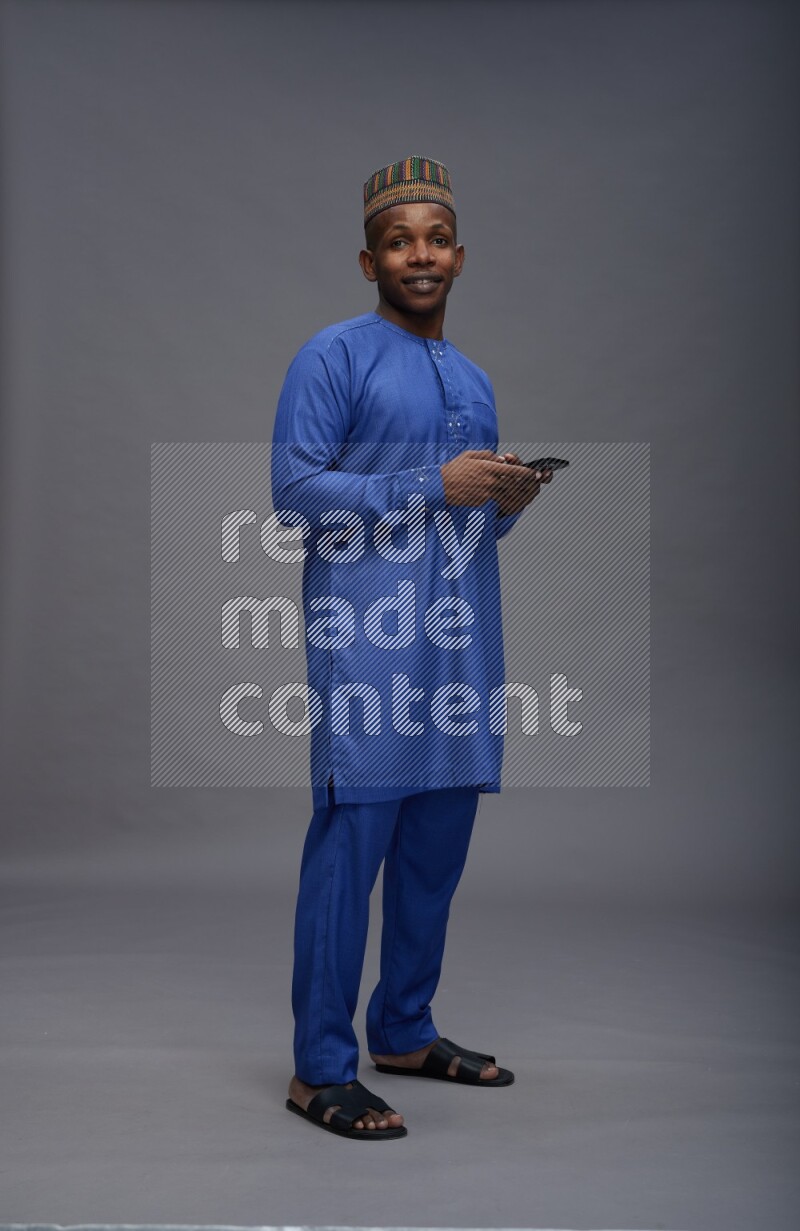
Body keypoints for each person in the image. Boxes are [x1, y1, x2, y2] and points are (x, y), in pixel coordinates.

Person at [271, 156, 551, 1139]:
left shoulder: (471, 377)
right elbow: (295, 491)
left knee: (434, 854)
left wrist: (504, 499)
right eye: (399, 242)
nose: (419, 255)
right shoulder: (332, 357)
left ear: (459, 257)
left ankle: (402, 1029)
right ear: (369, 261)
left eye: (435, 240)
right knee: (349, 857)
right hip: (369, 644)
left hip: (458, 649)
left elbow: (467, 522)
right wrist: (434, 482)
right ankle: (318, 1068)